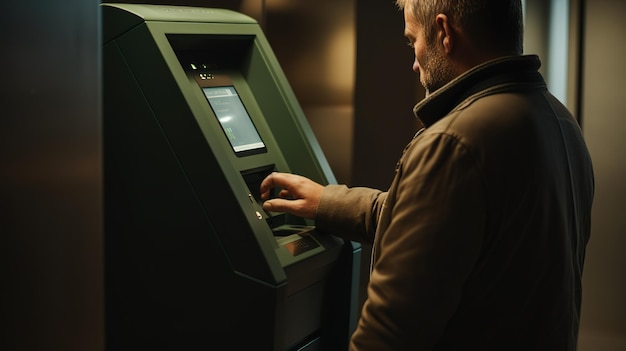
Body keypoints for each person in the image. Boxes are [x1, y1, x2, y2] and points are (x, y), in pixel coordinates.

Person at [260, 0, 594, 349]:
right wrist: (326, 201)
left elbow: (389, 331)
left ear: (444, 31)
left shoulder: (455, 144)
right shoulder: (560, 123)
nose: (414, 61)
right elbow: (452, 222)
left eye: (413, 40)